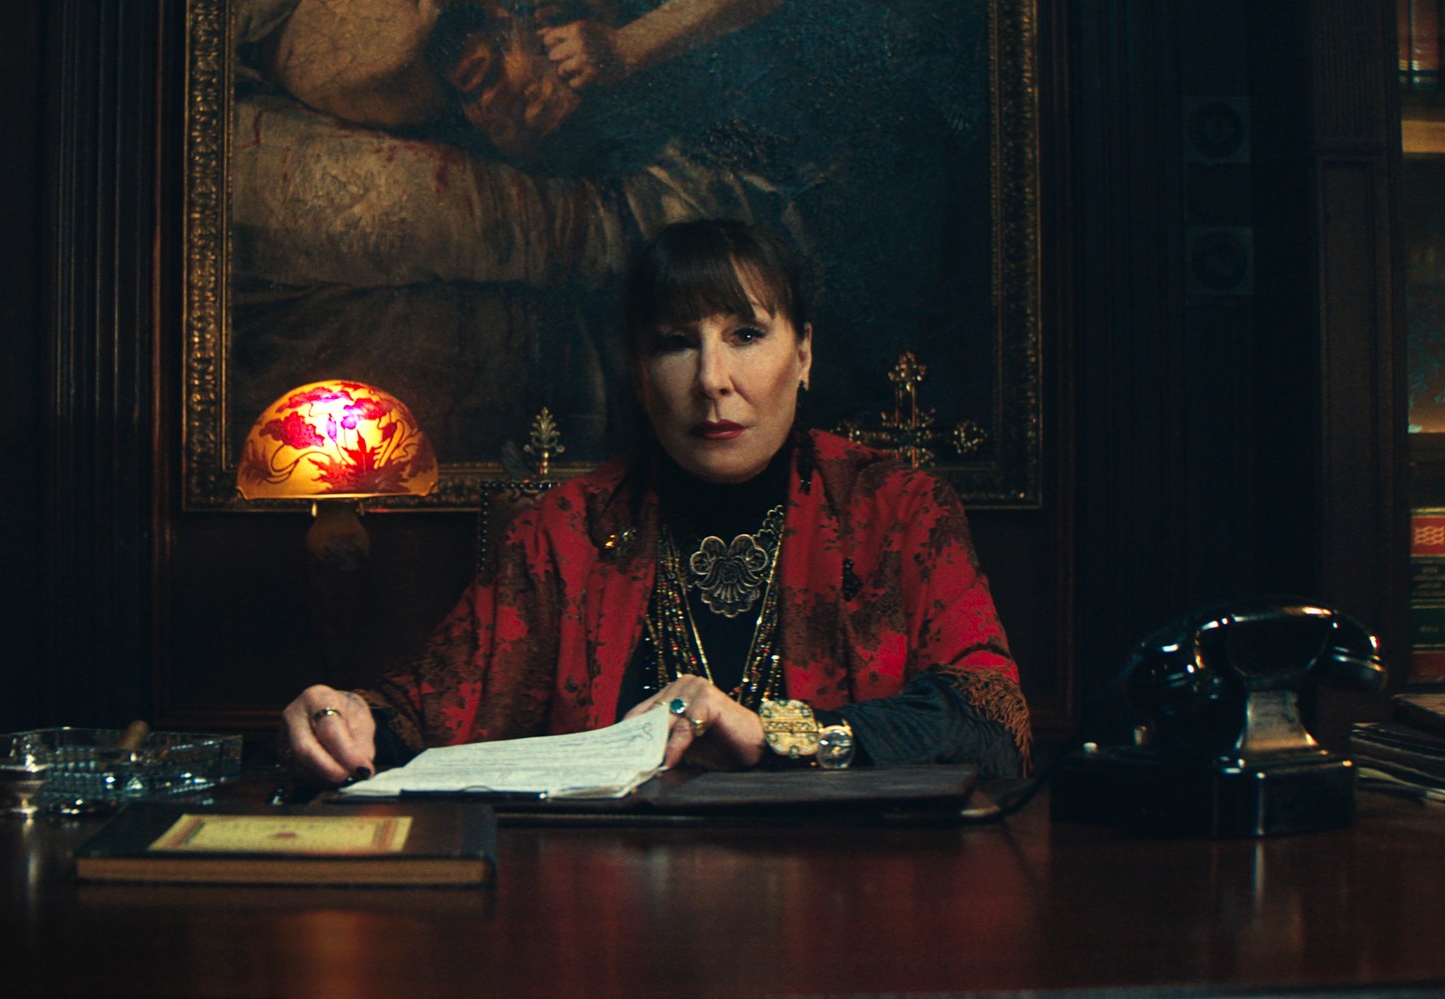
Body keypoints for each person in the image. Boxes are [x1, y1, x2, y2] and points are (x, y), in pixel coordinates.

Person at [279, 219, 1026, 783]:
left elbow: (994, 722)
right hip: (609, 902)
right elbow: (425, 712)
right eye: (675, 342)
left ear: (803, 355)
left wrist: (775, 734)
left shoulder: (898, 511)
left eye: (745, 334)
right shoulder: (564, 532)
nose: (711, 379)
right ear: (639, 372)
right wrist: (344, 718)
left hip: (850, 896)